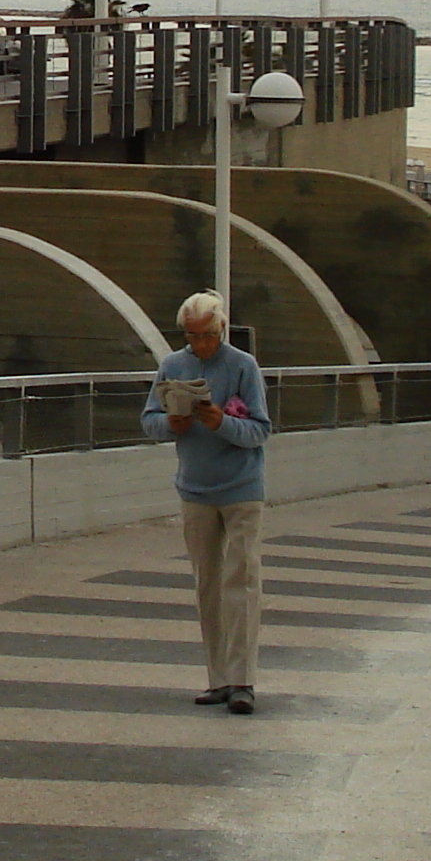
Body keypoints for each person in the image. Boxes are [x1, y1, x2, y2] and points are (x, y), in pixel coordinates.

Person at [140, 289, 274, 715]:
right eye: (193, 336)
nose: (201, 345)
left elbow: (260, 430)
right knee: (209, 584)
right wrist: (171, 422)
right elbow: (149, 421)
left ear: (222, 329)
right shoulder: (173, 366)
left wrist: (223, 424)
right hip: (195, 488)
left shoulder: (243, 366)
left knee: (243, 581)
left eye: (208, 336)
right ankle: (218, 678)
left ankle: (242, 680)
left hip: (241, 488)